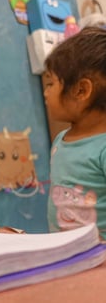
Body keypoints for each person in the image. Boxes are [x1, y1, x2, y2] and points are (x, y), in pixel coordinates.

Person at [44, 26, 106, 240]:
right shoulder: (61, 139)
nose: (46, 92)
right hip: (66, 253)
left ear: (81, 90)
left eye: (51, 84)